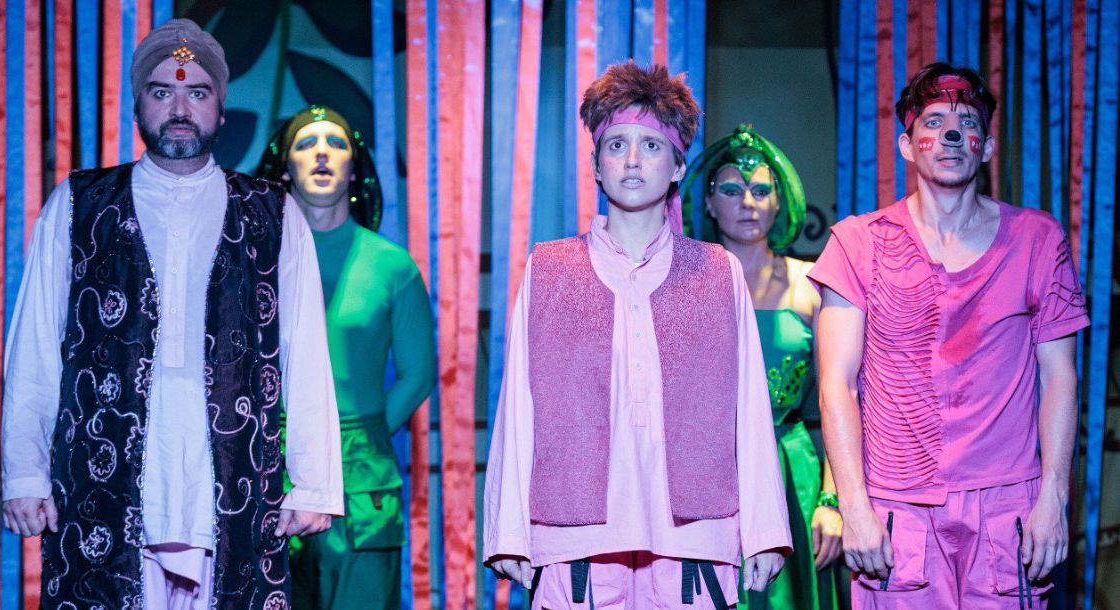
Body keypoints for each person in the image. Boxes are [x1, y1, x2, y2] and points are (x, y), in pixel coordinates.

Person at [0, 19, 343, 609]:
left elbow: (305, 355)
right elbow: (35, 347)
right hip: (102, 483)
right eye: (162, 92)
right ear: (137, 106)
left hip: (233, 484)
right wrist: (24, 472)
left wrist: (314, 484)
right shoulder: (79, 204)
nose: (180, 108)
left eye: (197, 92)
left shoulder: (272, 214)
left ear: (221, 110)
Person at [483, 61, 792, 610]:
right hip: (575, 541)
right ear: (596, 166)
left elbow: (748, 408)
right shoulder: (549, 268)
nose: (632, 160)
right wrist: (508, 531)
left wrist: (765, 529)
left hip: (694, 540)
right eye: (616, 145)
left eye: (651, 146)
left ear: (678, 166)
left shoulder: (717, 271)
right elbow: (518, 408)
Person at [808, 62, 1089, 609]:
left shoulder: (1037, 240)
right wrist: (853, 506)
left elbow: (1060, 377)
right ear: (907, 146)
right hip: (898, 510)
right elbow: (836, 385)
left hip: (1007, 509)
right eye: (934, 122)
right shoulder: (858, 243)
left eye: (967, 124)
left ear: (986, 147)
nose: (952, 135)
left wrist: (1055, 497)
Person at [256, 105, 437, 610]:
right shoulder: (253, 260)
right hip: (269, 465)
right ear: (285, 168)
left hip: (363, 481)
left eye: (336, 144)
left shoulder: (391, 264)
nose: (321, 154)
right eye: (306, 144)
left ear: (354, 169)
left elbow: (419, 375)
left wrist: (359, 436)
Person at [683, 124, 841, 610]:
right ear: (709, 204)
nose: (747, 202)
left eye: (760, 190)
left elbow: (840, 399)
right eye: (731, 190)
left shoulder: (813, 287)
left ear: (779, 201)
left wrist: (831, 501)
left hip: (790, 471)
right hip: (706, 474)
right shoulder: (681, 288)